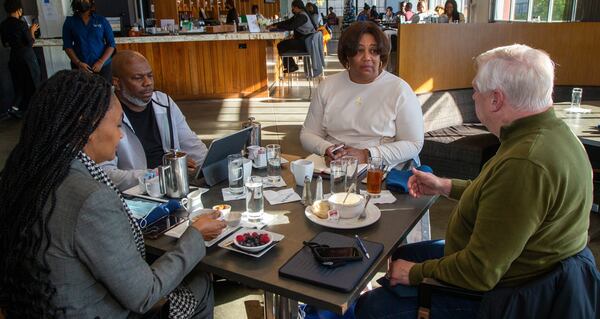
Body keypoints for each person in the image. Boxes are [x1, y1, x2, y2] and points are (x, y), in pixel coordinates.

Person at [354, 44, 599, 318]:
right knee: (404, 253)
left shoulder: (525, 163)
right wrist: (445, 185)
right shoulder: (552, 133)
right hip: (518, 266)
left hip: (507, 293)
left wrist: (416, 273)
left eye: (475, 90)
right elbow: (502, 197)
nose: (472, 96)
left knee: (373, 306)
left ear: (496, 100)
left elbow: (480, 271)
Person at [0, 70, 226, 318]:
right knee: (200, 282)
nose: (120, 135)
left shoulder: (26, 172)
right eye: (118, 124)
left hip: (33, 305)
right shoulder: (91, 197)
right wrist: (195, 234)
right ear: (85, 123)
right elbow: (144, 294)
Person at [300, 22, 423, 167]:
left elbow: (414, 143)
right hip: (334, 167)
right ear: (347, 56)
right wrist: (327, 149)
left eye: (373, 51)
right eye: (359, 51)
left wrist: (366, 155)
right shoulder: (327, 87)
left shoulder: (399, 89)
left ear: (381, 55)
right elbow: (307, 134)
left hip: (380, 169)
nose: (367, 57)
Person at [101, 50, 209, 191]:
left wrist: (209, 165)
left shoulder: (164, 102)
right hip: (136, 194)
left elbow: (192, 145)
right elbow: (106, 174)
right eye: (138, 78)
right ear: (117, 83)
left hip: (175, 187)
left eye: (150, 75)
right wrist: (160, 174)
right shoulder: (105, 112)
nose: (148, 83)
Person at [0, 0, 41, 119]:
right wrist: (32, 31)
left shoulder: (3, 25)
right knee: (34, 83)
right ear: (19, 10)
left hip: (14, 58)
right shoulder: (21, 24)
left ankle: (15, 108)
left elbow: (5, 43)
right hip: (27, 58)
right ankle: (37, 111)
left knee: (19, 85)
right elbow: (30, 43)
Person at [62, 0, 115, 82]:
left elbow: (111, 44)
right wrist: (78, 63)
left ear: (91, 2)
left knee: (105, 92)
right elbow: (67, 46)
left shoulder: (101, 20)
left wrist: (101, 62)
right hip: (80, 67)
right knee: (82, 92)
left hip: (103, 66)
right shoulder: (69, 22)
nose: (81, 1)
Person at [267, 0, 316, 73]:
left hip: (306, 43)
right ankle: (291, 65)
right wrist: (274, 25)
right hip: (306, 41)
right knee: (283, 44)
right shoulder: (300, 14)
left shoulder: (302, 16)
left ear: (296, 7)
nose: (292, 9)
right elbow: (288, 22)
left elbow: (291, 26)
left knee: (281, 45)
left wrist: (276, 27)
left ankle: (291, 66)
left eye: (293, 8)